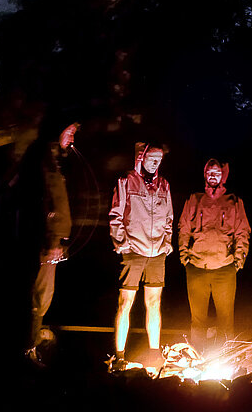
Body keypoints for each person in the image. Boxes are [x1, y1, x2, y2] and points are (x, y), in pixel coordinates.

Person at [108, 142, 173, 370]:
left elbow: (168, 220)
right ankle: (119, 355)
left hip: (157, 253)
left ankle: (155, 353)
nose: (156, 162)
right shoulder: (126, 181)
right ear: (141, 157)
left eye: (159, 159)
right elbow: (115, 214)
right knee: (126, 302)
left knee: (154, 303)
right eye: (152, 158)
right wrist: (122, 243)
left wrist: (166, 243)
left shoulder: (164, 184)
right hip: (134, 251)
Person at [22, 114, 80, 366]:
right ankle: (27, 350)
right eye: (69, 131)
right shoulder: (45, 161)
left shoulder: (53, 161)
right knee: (39, 297)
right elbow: (46, 202)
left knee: (43, 296)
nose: (72, 138)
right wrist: (53, 240)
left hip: (53, 242)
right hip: (48, 244)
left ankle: (30, 342)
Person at [178, 158, 250, 352]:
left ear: (223, 176)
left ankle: (226, 358)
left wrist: (238, 260)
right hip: (197, 268)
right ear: (205, 175)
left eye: (217, 172)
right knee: (198, 320)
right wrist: (185, 256)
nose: (213, 176)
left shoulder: (234, 201)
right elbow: (184, 228)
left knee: (226, 320)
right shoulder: (194, 199)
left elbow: (242, 232)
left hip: (225, 269)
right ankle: (198, 359)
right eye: (210, 172)